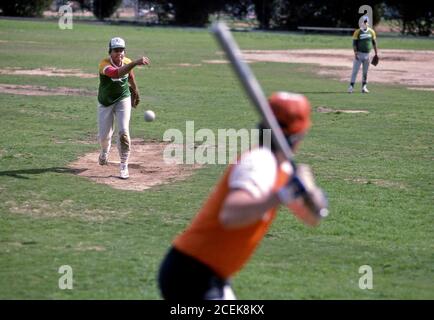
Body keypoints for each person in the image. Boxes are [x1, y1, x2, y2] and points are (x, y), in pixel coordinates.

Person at [158, 92, 327, 300]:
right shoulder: (259, 163)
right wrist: (283, 194)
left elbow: (312, 217)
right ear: (300, 135)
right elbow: (231, 214)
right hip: (193, 274)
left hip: (207, 274)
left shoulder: (282, 169)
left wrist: (313, 195)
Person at [97, 37, 150, 179]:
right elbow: (116, 73)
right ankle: (104, 151)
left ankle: (123, 166)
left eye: (121, 50)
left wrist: (136, 91)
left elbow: (130, 76)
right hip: (105, 102)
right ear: (110, 51)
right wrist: (135, 62)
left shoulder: (126, 61)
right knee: (104, 137)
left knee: (123, 132)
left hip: (123, 99)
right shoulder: (104, 64)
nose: (119, 53)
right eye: (115, 50)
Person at [348, 16, 379, 94]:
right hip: (359, 54)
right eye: (363, 21)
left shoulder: (371, 32)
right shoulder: (357, 32)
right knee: (355, 71)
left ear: (368, 23)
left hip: (368, 54)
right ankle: (351, 87)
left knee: (365, 72)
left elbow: (374, 43)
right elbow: (354, 44)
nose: (364, 23)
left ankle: (364, 87)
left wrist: (376, 54)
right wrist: (355, 53)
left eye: (366, 21)